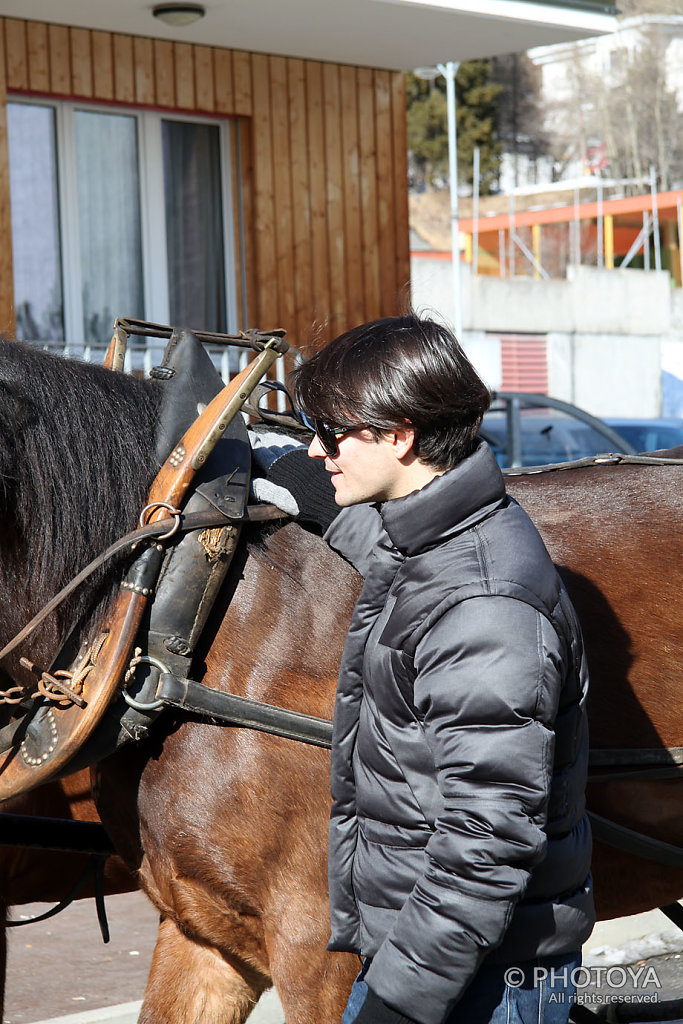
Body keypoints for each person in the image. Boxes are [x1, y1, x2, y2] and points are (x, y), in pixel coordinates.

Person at [290, 313, 594, 1024]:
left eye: (330, 433)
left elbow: (484, 840)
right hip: (437, 954)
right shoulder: (443, 537)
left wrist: (396, 1004)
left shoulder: (483, 605)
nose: (315, 450)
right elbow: (399, 562)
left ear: (397, 435)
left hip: (474, 982)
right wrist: (297, 483)